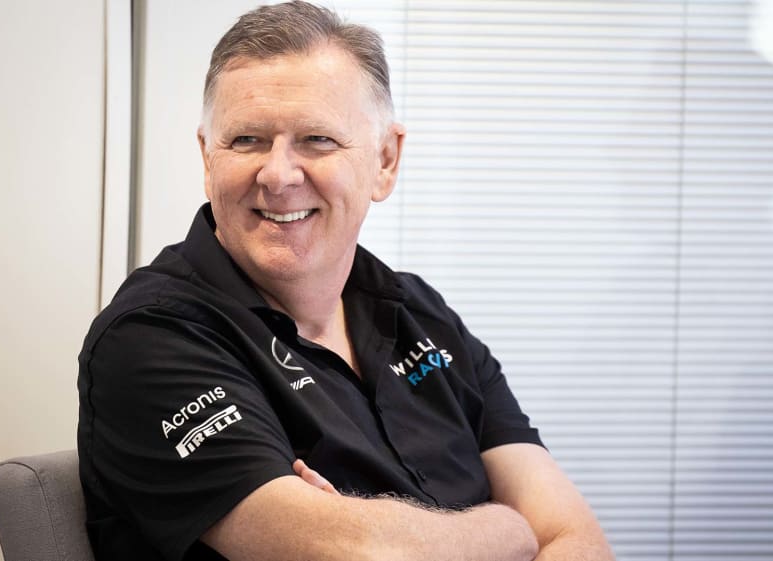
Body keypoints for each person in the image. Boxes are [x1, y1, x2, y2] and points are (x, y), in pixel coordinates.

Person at [77, 2, 614, 560]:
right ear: (208, 159)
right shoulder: (151, 338)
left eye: (317, 139)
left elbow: (579, 540)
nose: (278, 175)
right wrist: (510, 530)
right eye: (246, 140)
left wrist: (398, 536)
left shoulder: (421, 314)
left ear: (385, 161)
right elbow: (369, 555)